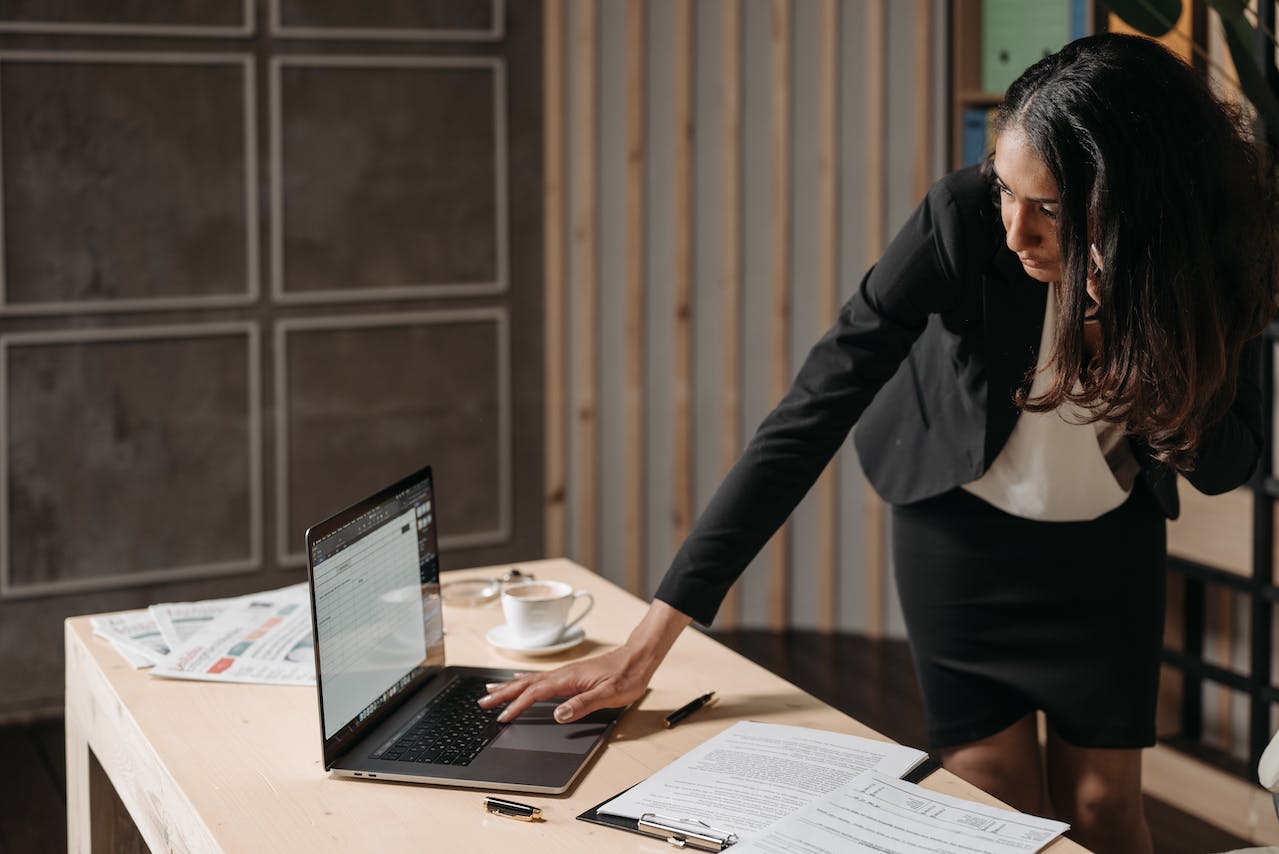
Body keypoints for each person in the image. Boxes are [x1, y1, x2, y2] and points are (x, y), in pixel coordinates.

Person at [480, 33, 1277, 853]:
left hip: (1109, 542)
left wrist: (1133, 330)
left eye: (1047, 209)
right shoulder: (959, 218)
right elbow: (814, 406)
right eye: (1005, 189)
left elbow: (1228, 464)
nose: (1013, 231)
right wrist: (649, 643)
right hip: (959, 534)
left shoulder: (1217, 250)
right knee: (989, 800)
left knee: (1106, 811)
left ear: (1134, 209)